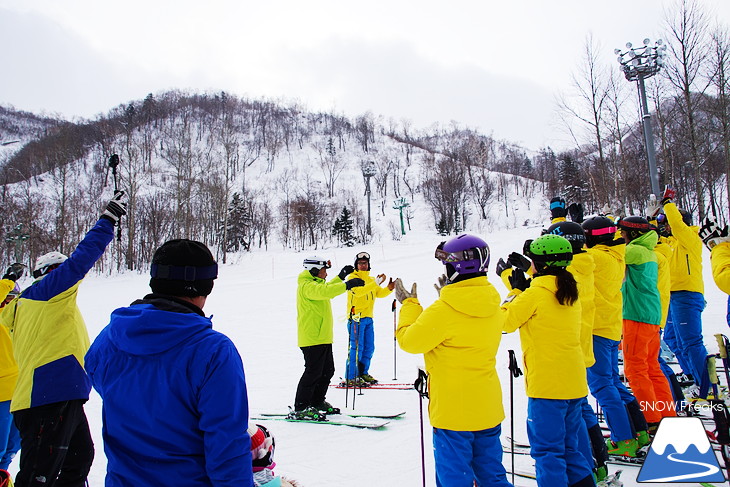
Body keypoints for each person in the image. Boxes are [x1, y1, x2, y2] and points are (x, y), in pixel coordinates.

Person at [85, 239, 253, 486]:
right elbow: (226, 443)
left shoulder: (109, 337)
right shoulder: (213, 350)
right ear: (204, 287)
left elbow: (101, 378)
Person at [0, 191, 126, 487]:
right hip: (48, 395)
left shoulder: (30, 305)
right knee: (40, 472)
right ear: (49, 273)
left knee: (79, 459)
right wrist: (107, 220)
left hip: (55, 394)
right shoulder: (47, 293)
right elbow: (81, 260)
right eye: (59, 270)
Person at [395, 234, 511, 487]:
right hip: (487, 406)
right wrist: (450, 295)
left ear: (455, 267)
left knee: (454, 478)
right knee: (491, 474)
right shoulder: (493, 304)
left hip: (453, 410)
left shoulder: (444, 311)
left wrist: (409, 305)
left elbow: (410, 341)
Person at [501, 234, 593, 487]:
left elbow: (504, 322)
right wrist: (529, 280)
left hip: (547, 386)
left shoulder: (534, 295)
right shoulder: (570, 287)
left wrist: (515, 292)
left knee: (547, 452)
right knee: (570, 449)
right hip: (573, 382)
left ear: (538, 264)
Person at [582, 215, 648, 458]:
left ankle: (624, 438)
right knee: (612, 382)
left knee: (601, 386)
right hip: (609, 327)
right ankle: (638, 430)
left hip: (597, 327)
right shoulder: (616, 254)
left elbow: (569, 263)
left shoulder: (595, 257)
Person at [651, 187, 711, 399]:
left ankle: (708, 386)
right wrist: (651, 220)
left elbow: (676, 225)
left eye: (667, 222)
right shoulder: (670, 243)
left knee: (691, 340)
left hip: (687, 293)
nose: (666, 227)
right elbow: (653, 239)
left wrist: (667, 204)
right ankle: (693, 376)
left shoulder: (689, 238)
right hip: (672, 296)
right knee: (673, 339)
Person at [618, 216, 676, 428]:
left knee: (635, 369)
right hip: (650, 316)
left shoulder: (634, 251)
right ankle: (665, 413)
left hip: (637, 316)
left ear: (633, 234)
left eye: (623, 233)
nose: (620, 236)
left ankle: (650, 419)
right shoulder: (649, 250)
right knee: (652, 367)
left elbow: (608, 253)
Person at [292, 257, 364, 419]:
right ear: (314, 271)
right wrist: (346, 285)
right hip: (312, 338)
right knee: (313, 372)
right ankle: (301, 407)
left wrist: (340, 277)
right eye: (324, 270)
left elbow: (327, 288)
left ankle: (317, 401)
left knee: (327, 371)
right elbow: (325, 292)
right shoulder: (306, 286)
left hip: (322, 337)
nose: (325, 274)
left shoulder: (315, 284)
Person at [343, 251, 395, 385]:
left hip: (368, 318)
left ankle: (363, 373)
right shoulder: (352, 278)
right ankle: (351, 377)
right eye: (360, 263)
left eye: (365, 263)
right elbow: (360, 292)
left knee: (369, 348)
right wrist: (376, 283)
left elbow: (378, 293)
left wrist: (388, 288)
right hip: (356, 318)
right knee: (356, 348)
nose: (363, 265)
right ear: (356, 265)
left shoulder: (371, 280)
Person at [0, 265, 23, 479]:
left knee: (12, 447)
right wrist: (9, 279)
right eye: (6, 298)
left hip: (17, 391)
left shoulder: (13, 320)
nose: (8, 302)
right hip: (1, 394)